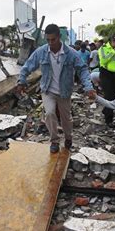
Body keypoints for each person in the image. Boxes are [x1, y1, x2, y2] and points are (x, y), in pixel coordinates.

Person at [17, 24, 96, 153]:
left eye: (53, 40)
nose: (50, 43)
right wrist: (21, 80)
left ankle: (68, 137)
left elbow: (82, 69)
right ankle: (54, 140)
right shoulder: (41, 52)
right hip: (48, 90)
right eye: (48, 40)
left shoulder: (71, 53)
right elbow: (28, 66)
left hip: (64, 91)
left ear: (59, 37)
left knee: (66, 118)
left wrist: (88, 87)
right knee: (49, 113)